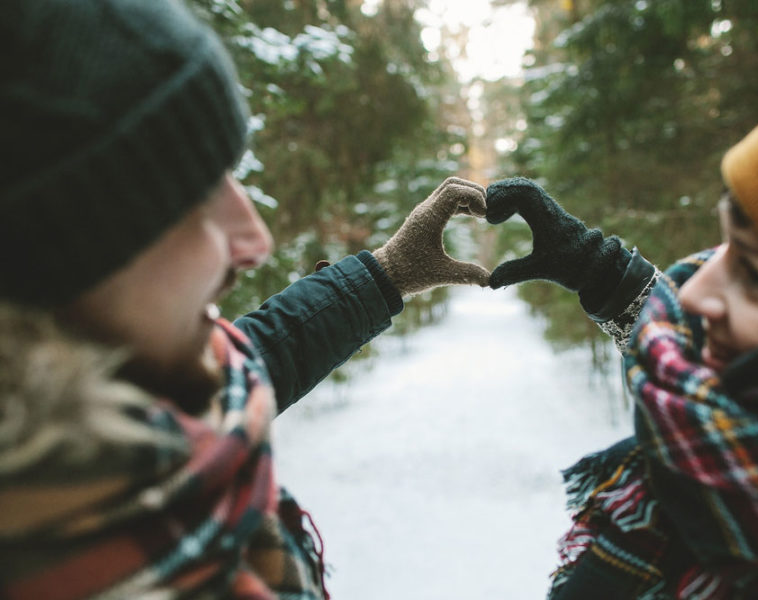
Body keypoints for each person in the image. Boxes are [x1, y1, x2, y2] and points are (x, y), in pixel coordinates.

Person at [0, 0, 490, 598]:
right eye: (196, 198)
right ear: (52, 251)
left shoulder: (152, 413)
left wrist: (384, 275)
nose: (255, 239)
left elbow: (253, 355)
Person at [485, 71, 758, 599]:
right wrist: (603, 272)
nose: (696, 293)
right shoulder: (723, 442)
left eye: (757, 278)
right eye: (728, 246)